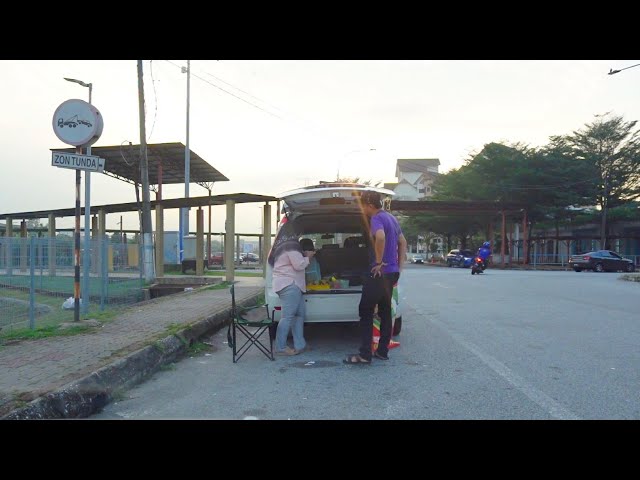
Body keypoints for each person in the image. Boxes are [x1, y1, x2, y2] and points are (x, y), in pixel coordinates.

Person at [344, 190, 407, 364]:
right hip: (391, 273)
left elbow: (380, 237)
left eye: (362, 206)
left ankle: (365, 355)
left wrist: (378, 262)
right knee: (386, 312)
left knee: (366, 311)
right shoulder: (392, 218)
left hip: (379, 274)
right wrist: (399, 267)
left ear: (370, 205)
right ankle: (382, 351)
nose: (362, 210)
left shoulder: (376, 218)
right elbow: (403, 242)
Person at [267, 224, 315, 356]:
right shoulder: (291, 245)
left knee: (299, 315)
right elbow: (299, 265)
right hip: (290, 285)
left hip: (292, 285)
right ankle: (280, 347)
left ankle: (300, 344)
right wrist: (308, 257)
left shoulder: (282, 245)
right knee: (287, 317)